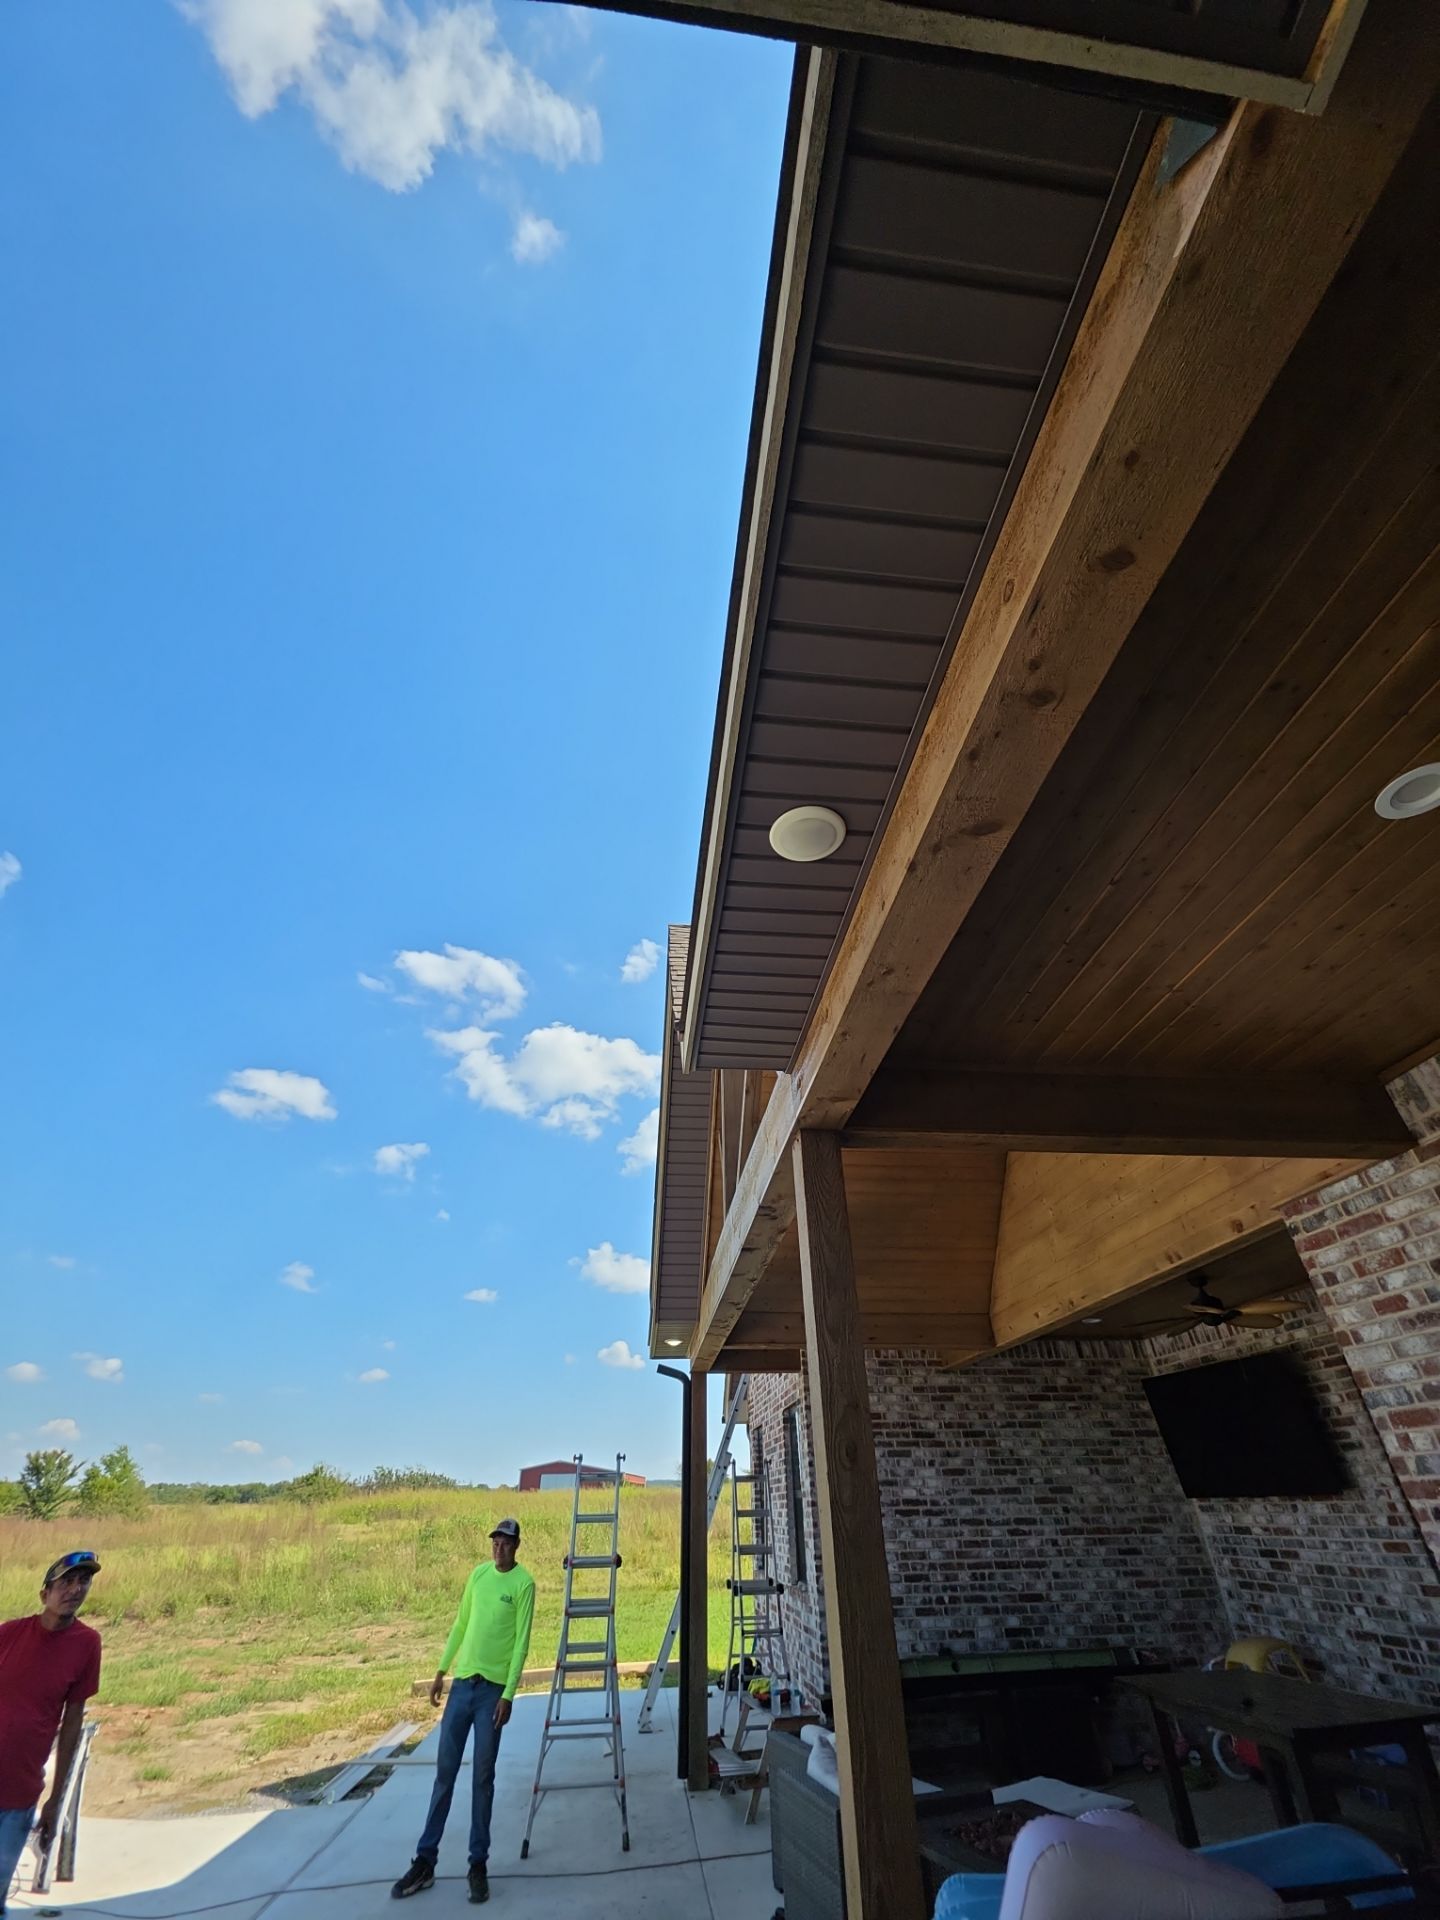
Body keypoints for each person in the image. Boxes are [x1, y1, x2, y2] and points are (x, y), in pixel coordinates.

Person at [392, 1518, 535, 1905]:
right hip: (462, 1687)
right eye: (495, 1542)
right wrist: (441, 1670)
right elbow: (461, 1622)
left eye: (506, 1543)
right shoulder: (477, 1576)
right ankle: (425, 1861)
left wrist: (508, 1694)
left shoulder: (523, 1584)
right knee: (445, 1775)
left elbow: (522, 1642)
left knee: (483, 1779)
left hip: (492, 1693)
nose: (499, 1548)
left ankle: (478, 1864)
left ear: (516, 1546)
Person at [0, 1552, 103, 1917]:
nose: (75, 1589)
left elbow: (73, 1720)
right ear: (44, 1594)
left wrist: (56, 1799)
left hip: (19, 1791)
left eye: (83, 1582)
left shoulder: (87, 1644)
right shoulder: (8, 1634)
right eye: (66, 1582)